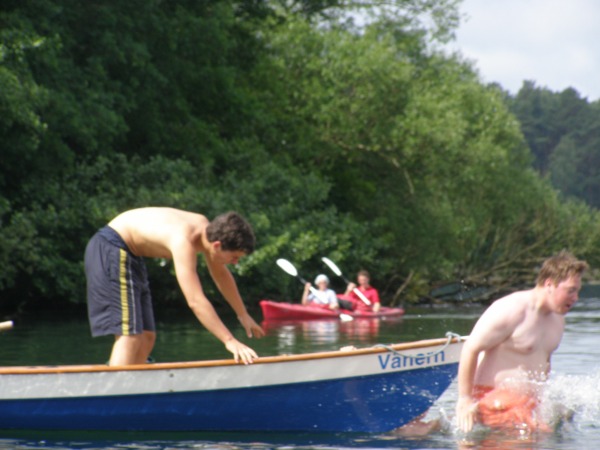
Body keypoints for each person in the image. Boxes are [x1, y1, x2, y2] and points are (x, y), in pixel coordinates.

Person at [84, 207, 265, 366]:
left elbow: (221, 275)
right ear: (217, 246)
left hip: (130, 256)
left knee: (147, 337)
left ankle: (133, 392)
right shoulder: (182, 241)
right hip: (110, 248)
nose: (234, 263)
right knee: (130, 336)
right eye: (234, 257)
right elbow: (195, 300)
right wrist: (229, 340)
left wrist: (243, 314)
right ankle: (116, 396)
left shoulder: (207, 231)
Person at [456, 250, 588, 434]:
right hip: (493, 398)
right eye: (571, 291)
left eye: (577, 291)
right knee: (537, 433)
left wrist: (542, 403)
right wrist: (465, 400)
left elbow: (544, 363)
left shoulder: (558, 319)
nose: (576, 298)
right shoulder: (511, 309)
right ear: (549, 284)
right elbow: (470, 348)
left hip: (525, 402)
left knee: (563, 415)